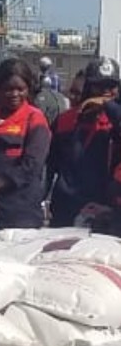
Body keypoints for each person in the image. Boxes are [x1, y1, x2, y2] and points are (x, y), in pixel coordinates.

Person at [0, 58, 51, 235]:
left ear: (28, 89)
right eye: (8, 89)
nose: (14, 94)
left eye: (20, 89)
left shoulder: (34, 119)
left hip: (20, 216)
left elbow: (31, 167)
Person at [47, 59, 121, 227]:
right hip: (66, 206)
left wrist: (109, 107)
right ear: (88, 86)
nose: (106, 91)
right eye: (99, 86)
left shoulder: (116, 121)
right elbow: (49, 165)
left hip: (104, 208)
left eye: (111, 86)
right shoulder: (66, 119)